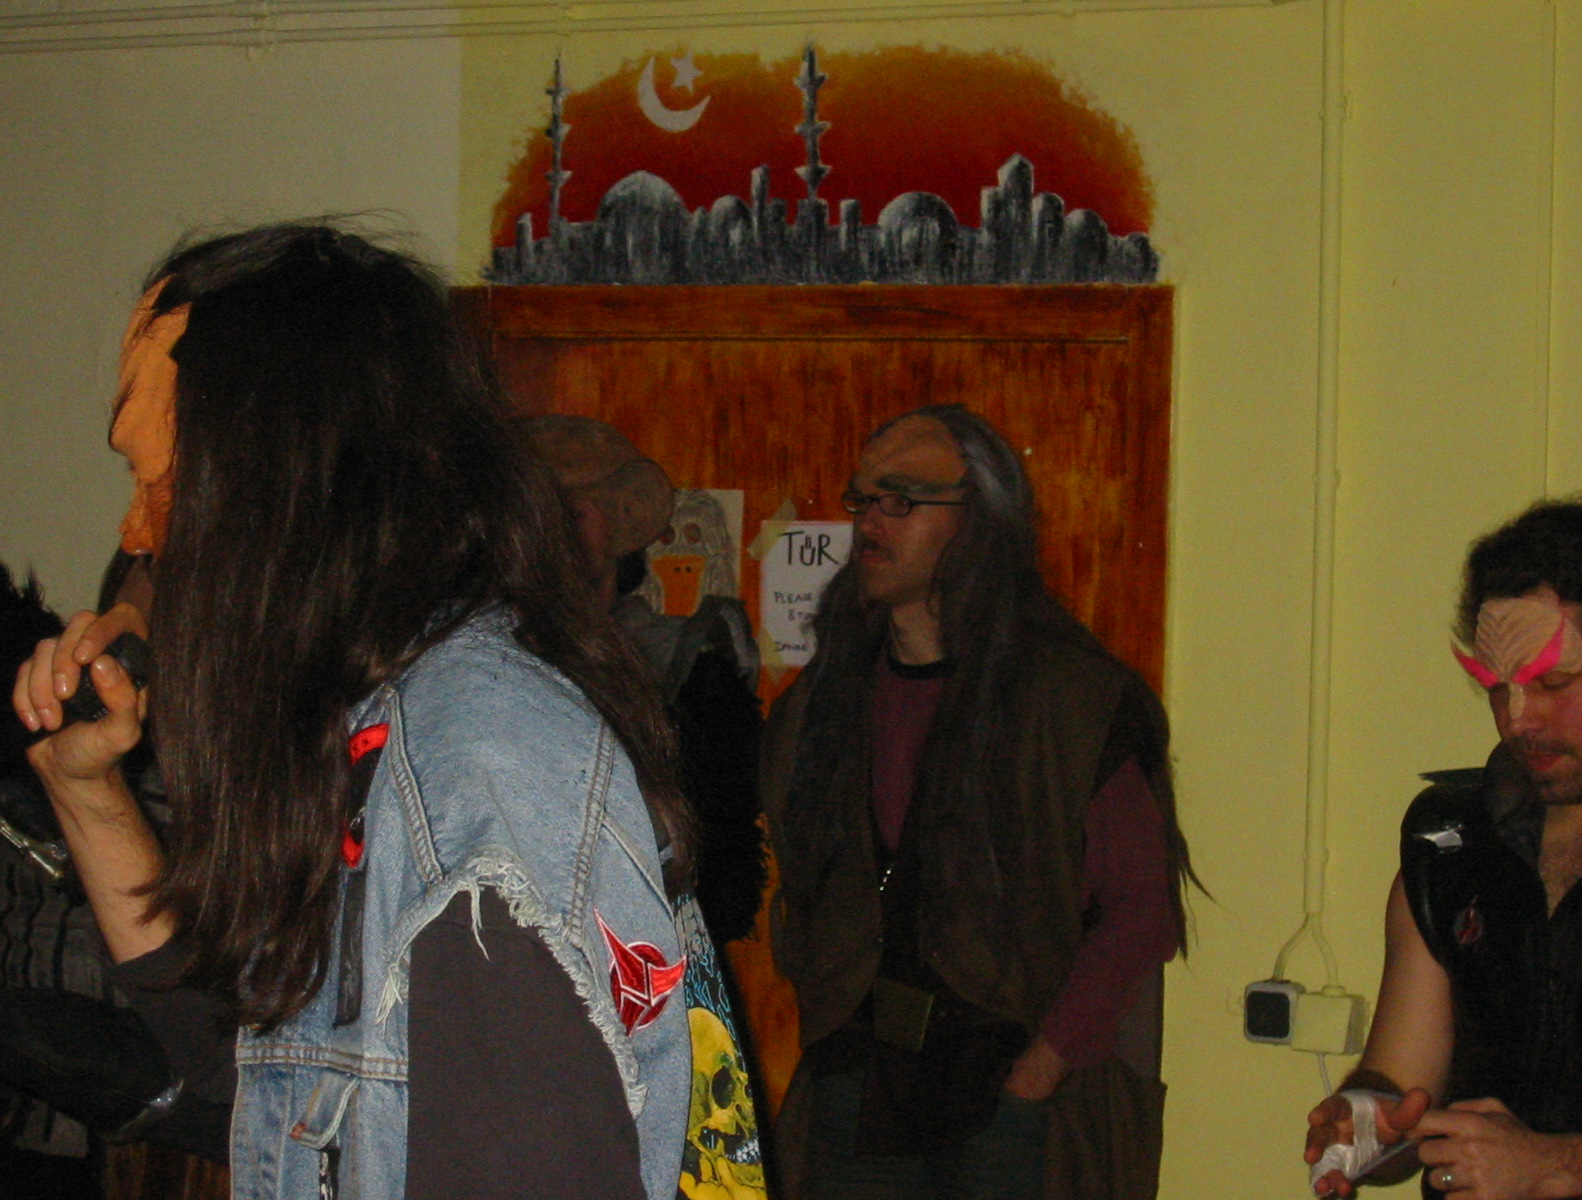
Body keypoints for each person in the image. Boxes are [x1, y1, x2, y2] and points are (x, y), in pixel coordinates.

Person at [12, 223, 764, 1200]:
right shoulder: (378, 722)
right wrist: (86, 792)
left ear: (277, 480)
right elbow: (257, 1074)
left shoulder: (471, 761)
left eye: (156, 477)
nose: (137, 531)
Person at [761, 405, 1195, 1200]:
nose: (871, 523)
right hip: (858, 1086)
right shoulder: (820, 706)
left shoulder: (1074, 702)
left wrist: (1039, 1070)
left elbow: (1140, 912)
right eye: (864, 499)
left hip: (1009, 1096)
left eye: (903, 499)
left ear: (981, 520)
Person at [1305, 499, 1582, 1200]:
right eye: (1497, 688)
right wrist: (1366, 1125)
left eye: (1553, 682)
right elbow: (1404, 1084)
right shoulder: (1452, 844)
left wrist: (1555, 1165)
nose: (1519, 720)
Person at [521, 414, 766, 949]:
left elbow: (723, 874)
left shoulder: (686, 667)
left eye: (573, 513)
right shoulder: (478, 664)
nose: (554, 533)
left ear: (621, 524)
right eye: (538, 514)